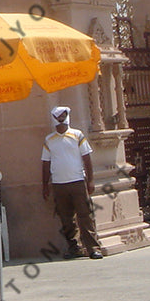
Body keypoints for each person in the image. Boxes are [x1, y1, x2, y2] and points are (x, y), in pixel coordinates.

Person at [41, 105, 104, 259]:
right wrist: (45, 185)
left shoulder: (77, 135)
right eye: (58, 116)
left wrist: (90, 180)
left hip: (77, 181)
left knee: (85, 216)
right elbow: (45, 163)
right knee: (66, 217)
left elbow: (87, 158)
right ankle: (74, 247)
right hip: (58, 183)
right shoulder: (49, 140)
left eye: (63, 115)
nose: (61, 118)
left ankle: (93, 248)